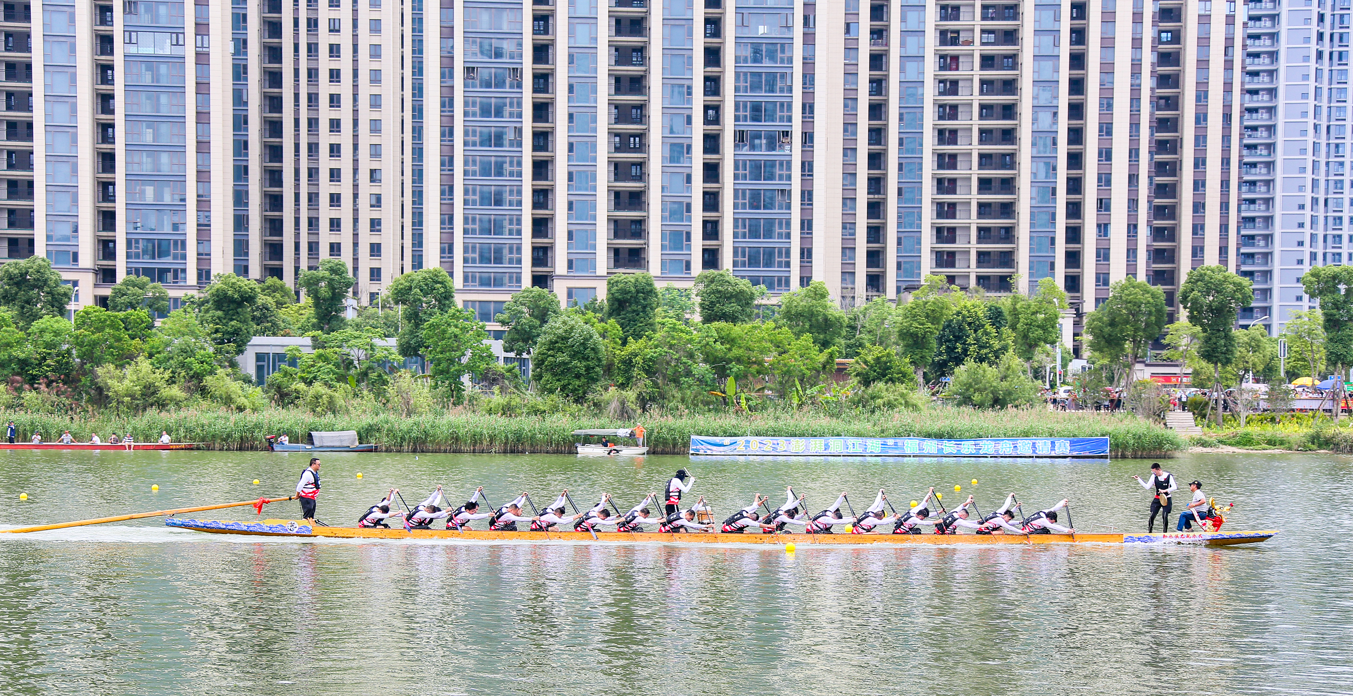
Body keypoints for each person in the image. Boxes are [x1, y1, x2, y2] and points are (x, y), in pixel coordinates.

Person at [1134, 463, 1178, 532]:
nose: (1154, 473)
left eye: (1154, 472)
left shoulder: (1169, 476)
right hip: (1157, 499)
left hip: (1166, 499)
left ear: (1159, 469)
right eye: (1153, 472)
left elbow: (1175, 487)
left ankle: (1165, 533)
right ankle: (1150, 532)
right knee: (1152, 515)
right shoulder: (1153, 476)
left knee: (1165, 516)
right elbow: (1147, 487)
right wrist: (1139, 479)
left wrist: (1165, 490)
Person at [296, 457, 321, 522]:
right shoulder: (307, 474)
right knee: (307, 515)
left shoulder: (315, 473)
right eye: (318, 464)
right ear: (313, 464)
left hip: (312, 498)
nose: (320, 466)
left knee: (311, 515)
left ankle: (311, 526)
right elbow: (300, 485)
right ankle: (304, 526)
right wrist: (297, 495)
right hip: (306, 498)